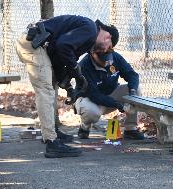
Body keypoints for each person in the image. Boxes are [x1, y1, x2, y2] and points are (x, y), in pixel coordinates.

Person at [16, 15, 119, 158]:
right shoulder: (90, 30)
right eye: (109, 49)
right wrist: (77, 73)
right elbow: (63, 46)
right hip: (34, 44)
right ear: (108, 37)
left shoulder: (86, 34)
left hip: (38, 45)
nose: (104, 51)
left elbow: (59, 55)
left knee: (52, 87)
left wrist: (69, 87)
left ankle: (52, 132)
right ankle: (52, 143)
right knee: (45, 91)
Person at [74, 51, 144, 140]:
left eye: (109, 59)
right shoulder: (84, 66)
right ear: (93, 55)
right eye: (104, 60)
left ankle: (130, 129)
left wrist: (132, 93)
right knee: (91, 113)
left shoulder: (115, 57)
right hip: (90, 99)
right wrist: (117, 104)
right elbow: (95, 95)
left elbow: (132, 75)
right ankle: (85, 127)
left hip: (111, 93)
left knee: (137, 89)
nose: (109, 63)